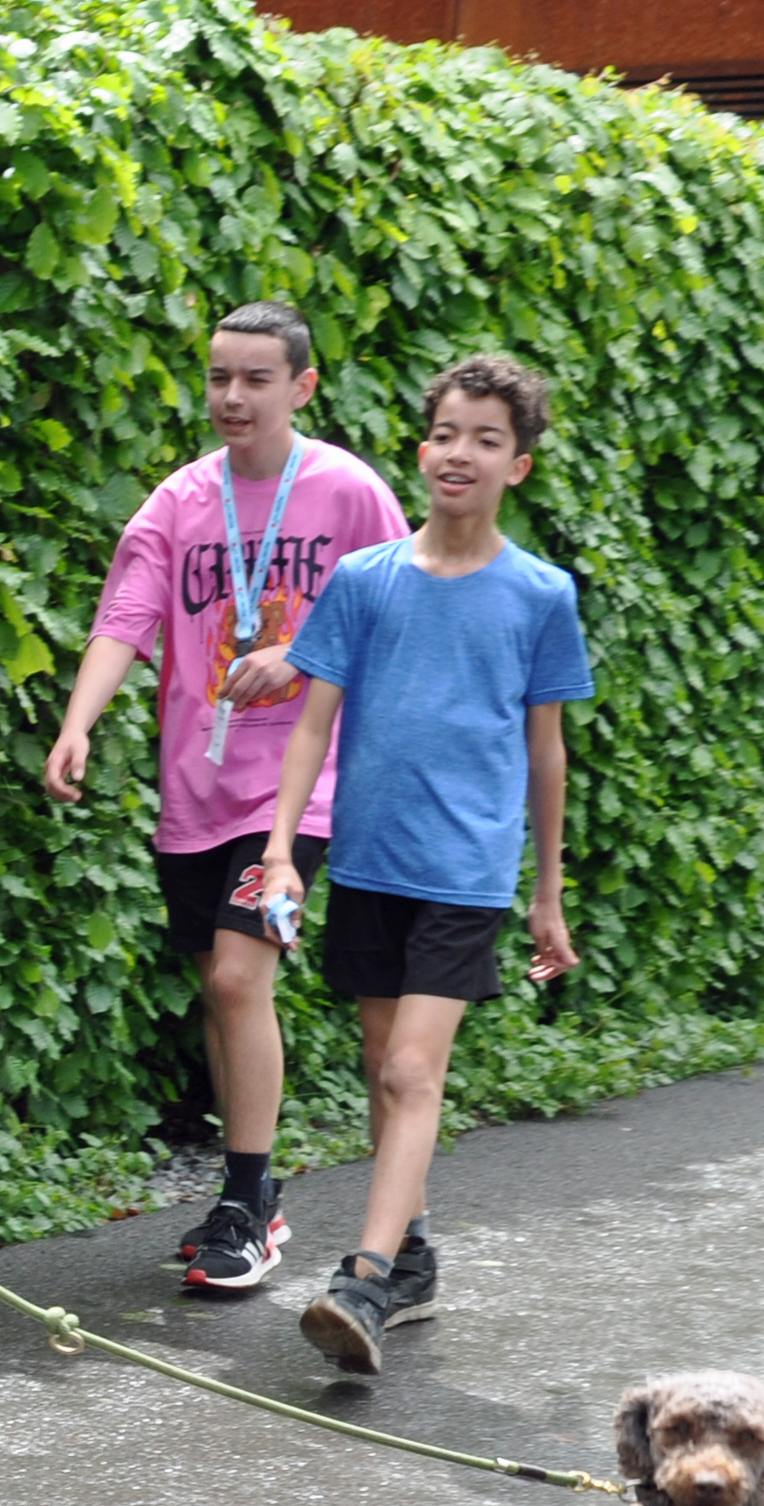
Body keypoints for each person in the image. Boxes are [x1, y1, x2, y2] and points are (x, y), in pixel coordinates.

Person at [41, 303, 409, 1291]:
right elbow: (124, 617)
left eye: (255, 378)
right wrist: (78, 723)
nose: (232, 397)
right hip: (196, 786)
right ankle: (253, 1194)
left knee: (242, 978)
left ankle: (245, 1204)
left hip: (299, 791)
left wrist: (301, 654)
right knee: (219, 984)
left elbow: (399, 611)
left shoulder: (348, 493)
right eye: (218, 377)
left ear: (303, 386)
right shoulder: (178, 501)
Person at [258, 355, 592, 1373]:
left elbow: (545, 752)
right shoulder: (364, 581)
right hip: (369, 861)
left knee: (411, 1069)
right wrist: (281, 850)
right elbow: (311, 727)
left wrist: (546, 892)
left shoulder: (540, 595)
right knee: (381, 1064)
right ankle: (411, 1258)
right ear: (421, 450)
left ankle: (363, 1277)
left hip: (464, 874)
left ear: (517, 466)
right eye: (447, 433)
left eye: (487, 439)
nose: (461, 453)